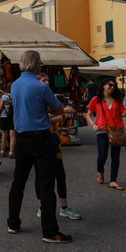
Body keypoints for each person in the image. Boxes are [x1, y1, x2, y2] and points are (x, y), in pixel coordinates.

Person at [7, 50, 72, 243]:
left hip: (22, 137)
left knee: (18, 181)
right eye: (40, 64)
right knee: (45, 184)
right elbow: (58, 108)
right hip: (41, 137)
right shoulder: (41, 87)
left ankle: (12, 222)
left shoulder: (15, 85)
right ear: (36, 65)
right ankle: (50, 231)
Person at [35, 72, 81, 219]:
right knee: (41, 176)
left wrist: (56, 116)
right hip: (41, 140)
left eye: (48, 80)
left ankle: (64, 207)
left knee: (60, 175)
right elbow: (41, 116)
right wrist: (59, 114)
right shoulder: (36, 97)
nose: (47, 82)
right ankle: (41, 207)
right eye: (43, 80)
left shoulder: (50, 96)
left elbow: (59, 116)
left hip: (54, 139)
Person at [86, 78, 126, 190]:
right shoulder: (96, 99)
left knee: (115, 156)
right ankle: (100, 170)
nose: (112, 87)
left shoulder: (117, 100)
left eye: (114, 86)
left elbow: (122, 113)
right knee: (102, 155)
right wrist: (93, 124)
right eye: (110, 85)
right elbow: (88, 114)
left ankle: (113, 180)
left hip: (116, 130)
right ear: (103, 86)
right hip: (102, 130)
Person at [0, 87, 15, 158]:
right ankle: (11, 152)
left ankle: (2, 151)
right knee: (12, 135)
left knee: (4, 134)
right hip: (13, 116)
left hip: (4, 116)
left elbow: (0, 108)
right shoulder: (15, 96)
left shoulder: (4, 96)